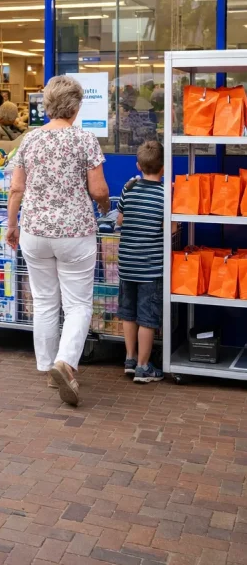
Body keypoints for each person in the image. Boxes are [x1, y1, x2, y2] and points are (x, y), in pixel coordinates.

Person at [6, 75, 109, 407]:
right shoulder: (84, 140)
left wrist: (12, 224)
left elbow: (17, 188)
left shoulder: (30, 140)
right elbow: (98, 190)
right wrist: (105, 206)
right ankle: (65, 362)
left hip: (35, 230)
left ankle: (47, 365)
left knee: (45, 301)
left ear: (47, 105)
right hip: (74, 232)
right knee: (78, 303)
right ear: (76, 106)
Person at [116, 139, 165, 383]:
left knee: (128, 313)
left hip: (127, 264)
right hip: (150, 267)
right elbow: (171, 228)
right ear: (163, 168)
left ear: (138, 165)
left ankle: (130, 358)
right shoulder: (165, 195)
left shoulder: (129, 189)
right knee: (147, 317)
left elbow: (120, 220)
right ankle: (144, 367)